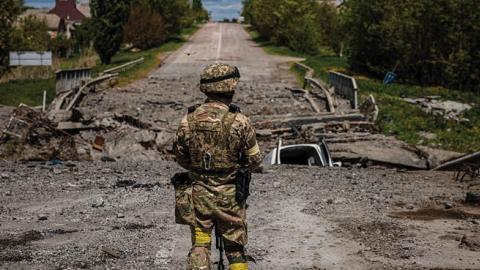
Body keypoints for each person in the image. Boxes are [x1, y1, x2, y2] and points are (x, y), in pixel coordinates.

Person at [173, 63, 262, 270]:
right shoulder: (240, 121)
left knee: (201, 243)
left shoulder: (188, 120)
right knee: (235, 249)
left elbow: (181, 158)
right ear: (231, 87)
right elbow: (255, 160)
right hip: (230, 196)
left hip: (198, 195)